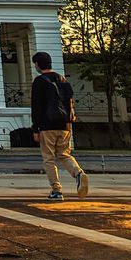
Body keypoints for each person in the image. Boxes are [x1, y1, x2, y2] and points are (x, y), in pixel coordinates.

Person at [30, 51, 88, 200]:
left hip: (47, 125)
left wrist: (35, 128)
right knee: (64, 154)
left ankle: (56, 190)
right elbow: (70, 103)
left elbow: (37, 107)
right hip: (64, 125)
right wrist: (69, 123)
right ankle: (78, 173)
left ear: (37, 65)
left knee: (49, 158)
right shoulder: (63, 80)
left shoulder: (39, 82)